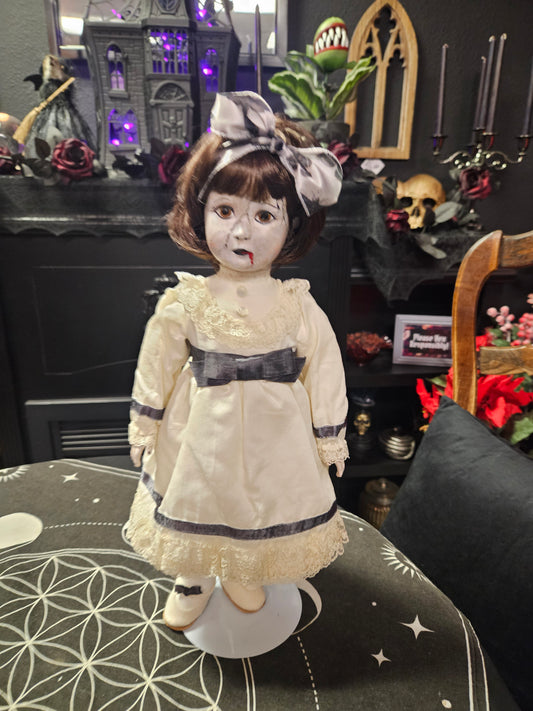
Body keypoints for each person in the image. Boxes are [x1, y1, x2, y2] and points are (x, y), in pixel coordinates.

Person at [127, 91, 349, 631]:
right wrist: (145, 425)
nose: (242, 232)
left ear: (292, 225)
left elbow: (324, 366)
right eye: (225, 211)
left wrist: (329, 434)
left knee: (260, 499)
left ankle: (242, 567)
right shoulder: (187, 299)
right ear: (200, 213)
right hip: (201, 426)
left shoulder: (297, 302)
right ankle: (194, 575)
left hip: (277, 432)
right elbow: (156, 362)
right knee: (199, 496)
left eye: (264, 215)